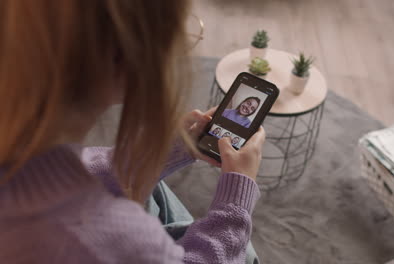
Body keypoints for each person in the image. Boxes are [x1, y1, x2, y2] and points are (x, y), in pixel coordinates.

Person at [0, 1, 266, 263]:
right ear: (127, 56)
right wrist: (236, 202)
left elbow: (67, 172)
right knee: (246, 253)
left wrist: (164, 150)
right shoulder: (116, 239)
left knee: (156, 191)